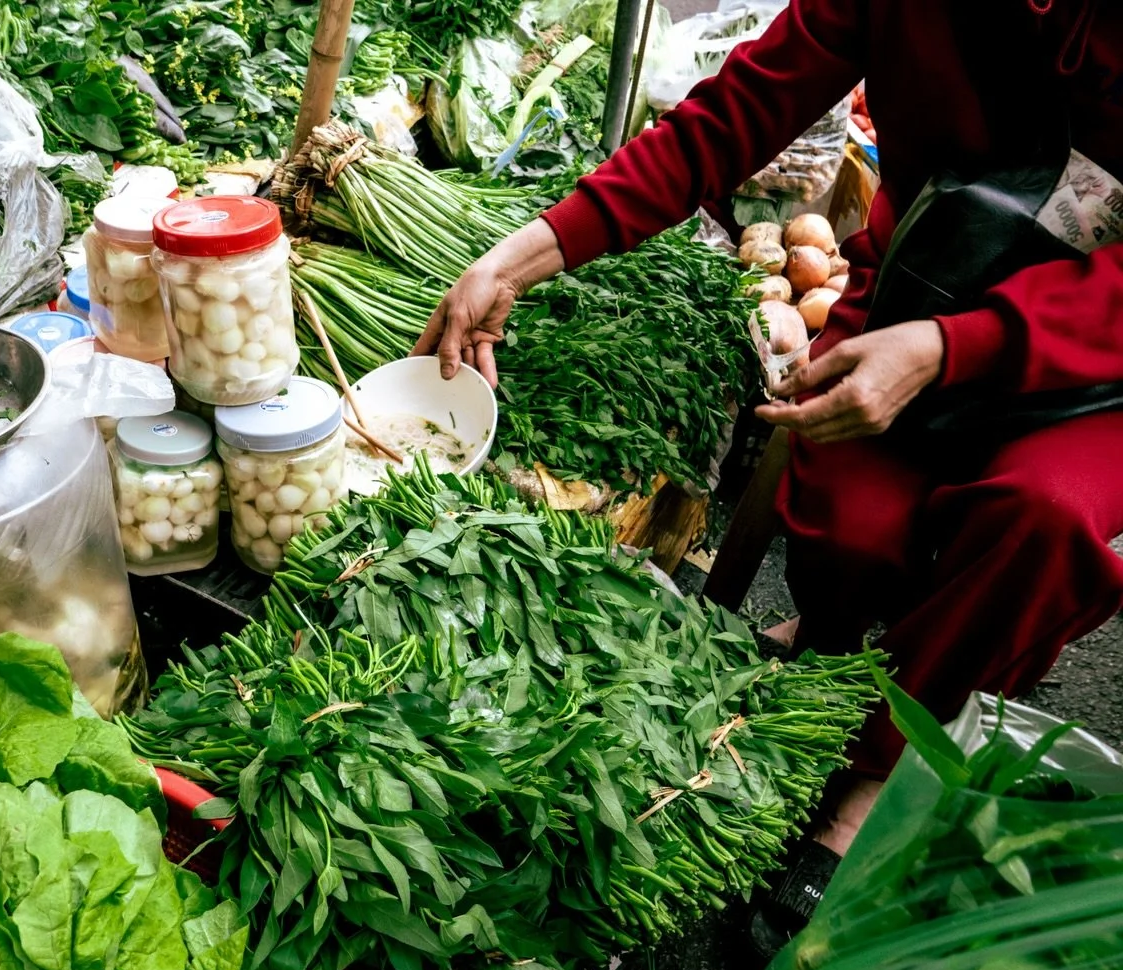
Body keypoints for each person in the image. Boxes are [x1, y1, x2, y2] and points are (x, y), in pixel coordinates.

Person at [415, 0, 1123, 880]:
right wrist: (516, 259)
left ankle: (880, 767)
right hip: (923, 281)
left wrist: (951, 350)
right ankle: (838, 642)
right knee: (852, 529)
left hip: (1092, 360)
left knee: (1040, 520)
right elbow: (732, 116)